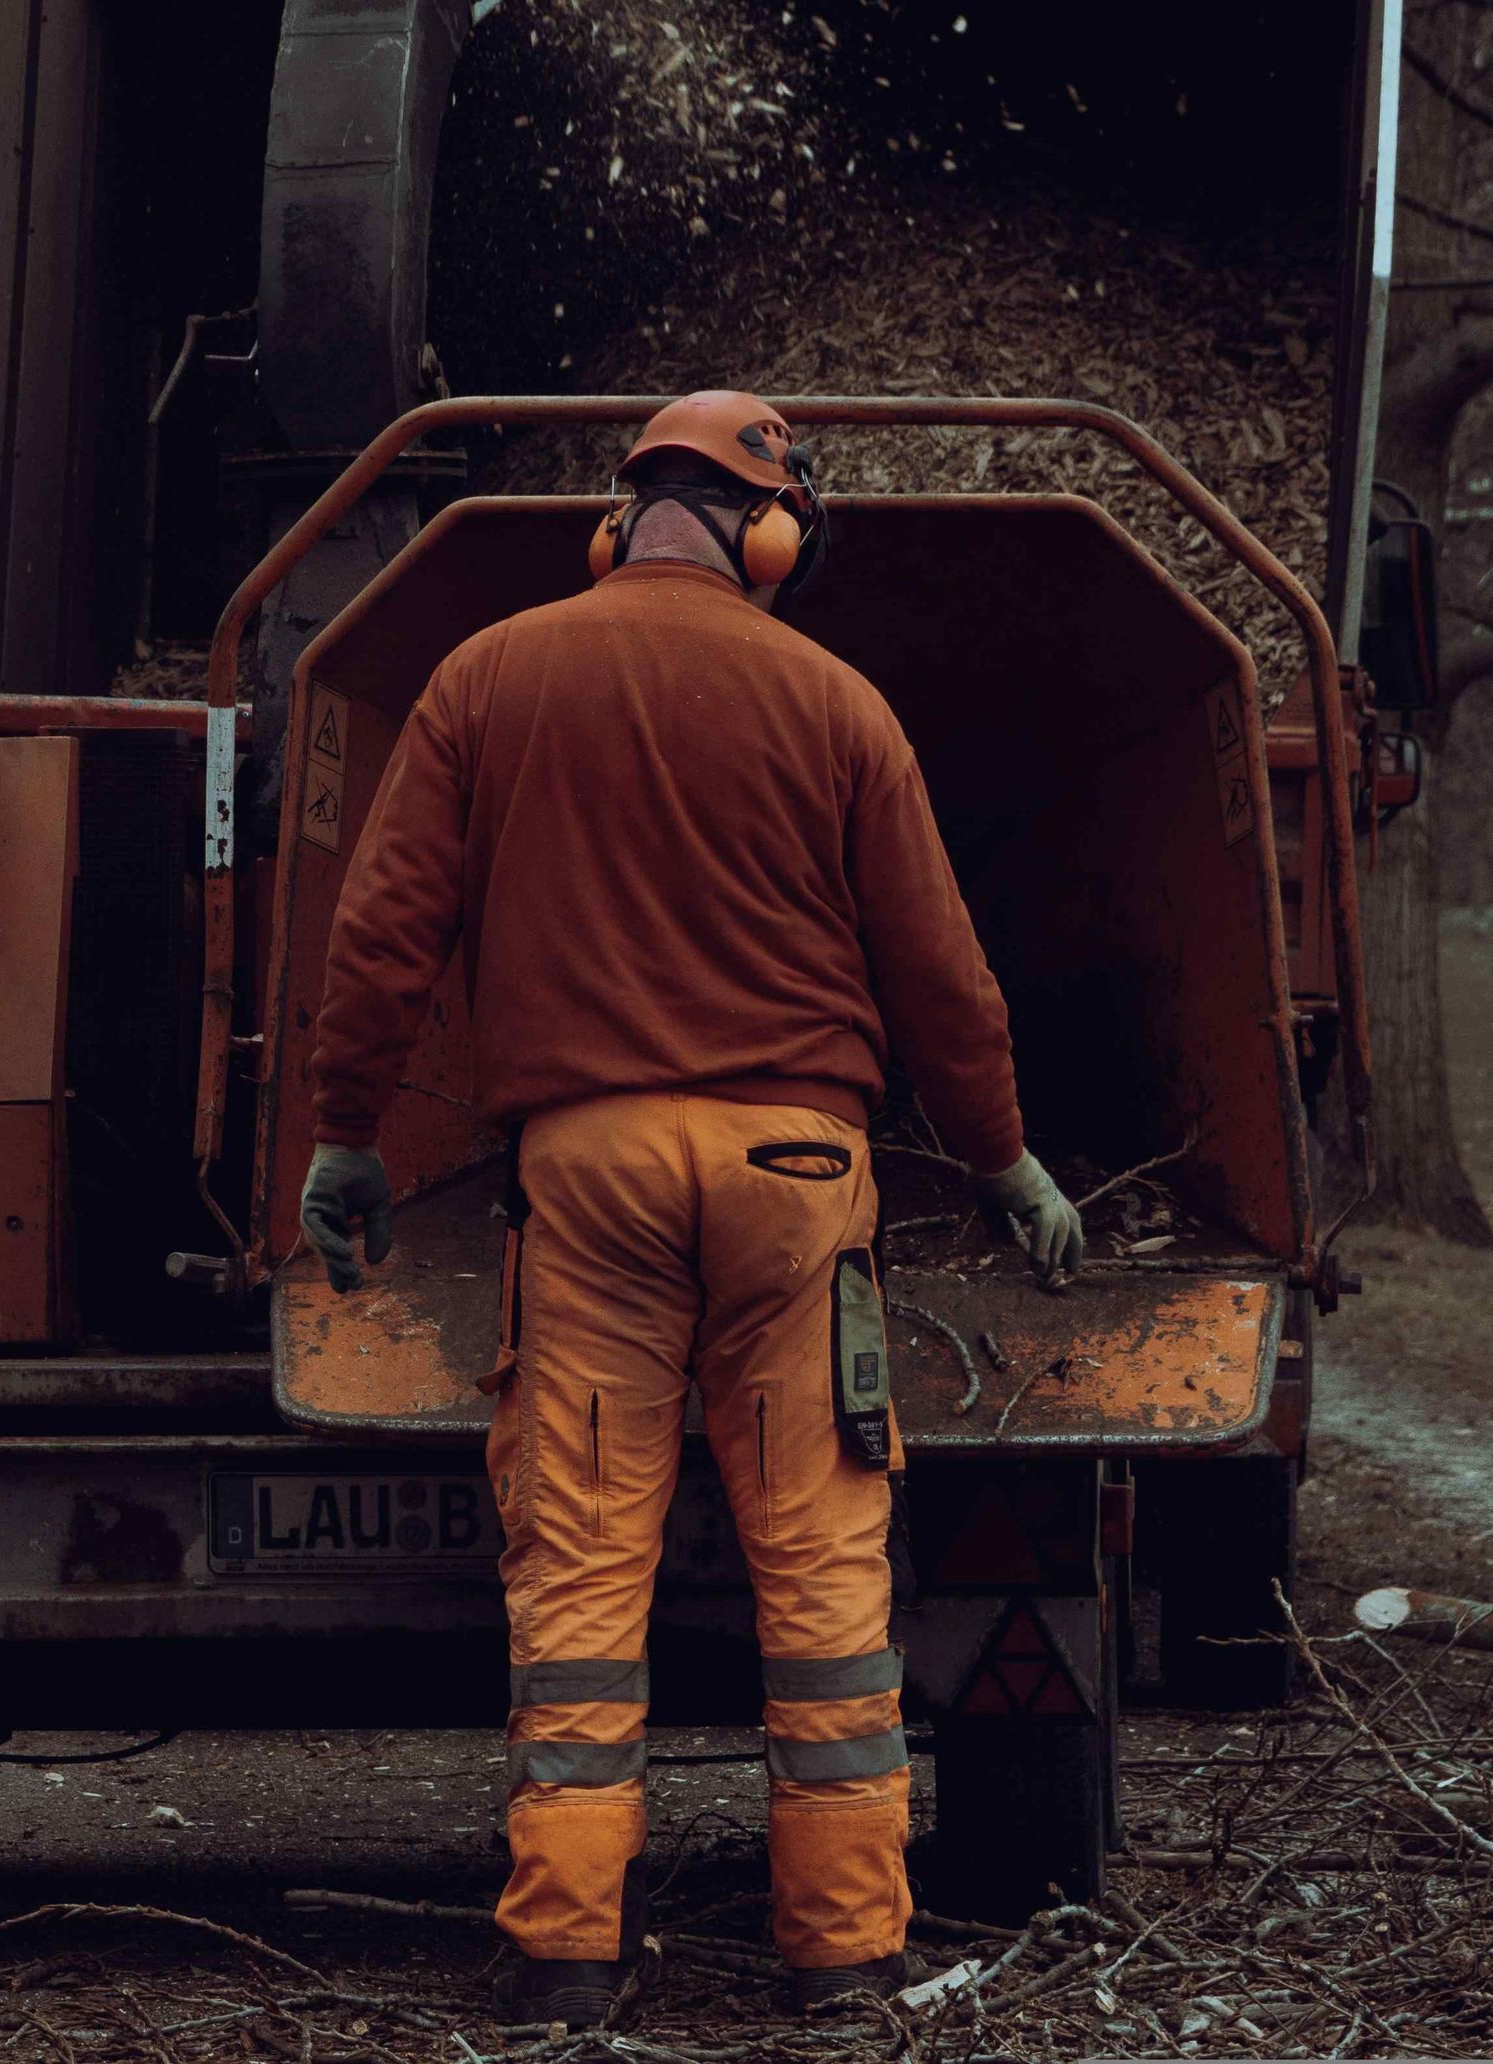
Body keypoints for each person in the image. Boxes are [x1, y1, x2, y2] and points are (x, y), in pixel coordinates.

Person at [299, 390, 1082, 2026]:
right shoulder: (840, 699)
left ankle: (568, 1965)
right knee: (818, 1560)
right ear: (771, 531)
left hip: (583, 1179)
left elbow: (383, 935)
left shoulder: (486, 676)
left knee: (583, 1569)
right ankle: (847, 1959)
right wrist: (1004, 1157)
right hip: (799, 1175)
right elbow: (941, 971)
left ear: (615, 519)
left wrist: (345, 1134)